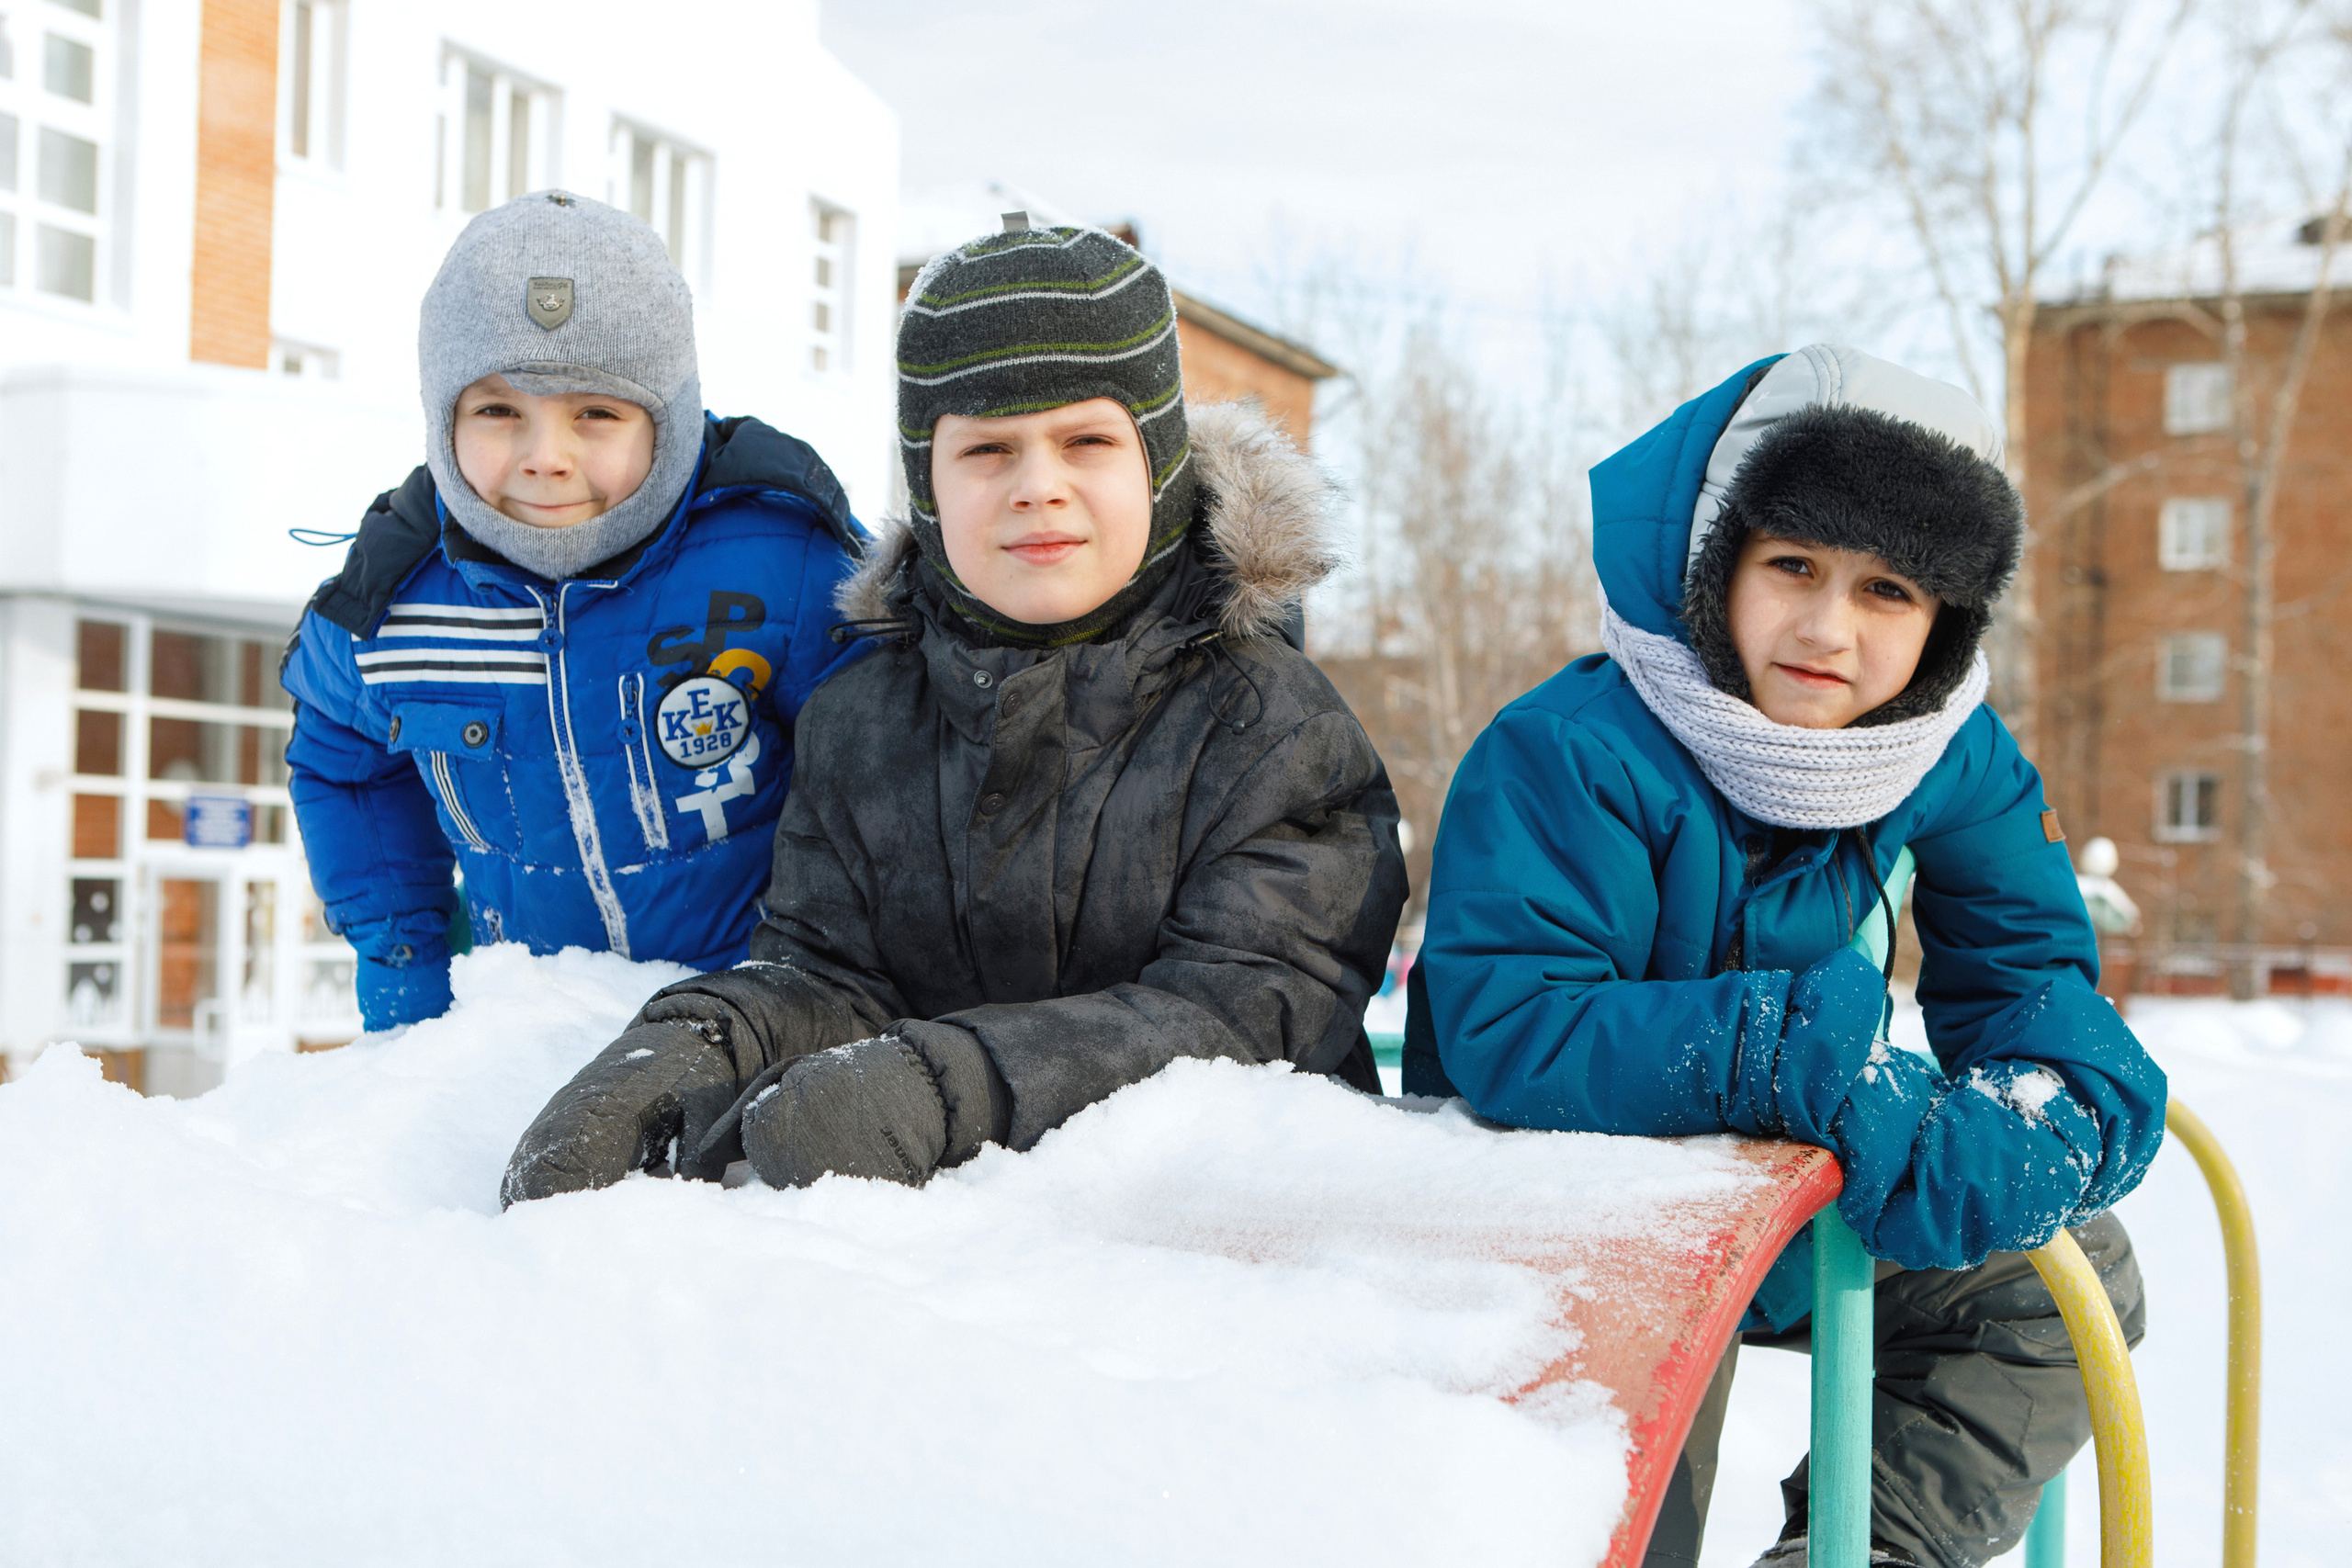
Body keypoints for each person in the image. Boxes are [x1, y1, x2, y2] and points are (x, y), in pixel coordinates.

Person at [1407, 345, 2168, 1568]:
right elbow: (1514, 1027)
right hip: (1582, 1213)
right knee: (1640, 1494)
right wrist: (1790, 1051)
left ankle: (1862, 1551)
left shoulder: (1943, 753)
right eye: (1793, 566)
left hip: (1779, 1210)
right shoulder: (1577, 747)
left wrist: (2056, 1103)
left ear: (1942, 622)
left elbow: (2032, 971)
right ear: (1718, 568)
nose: (1828, 627)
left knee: (2054, 1288)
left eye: (1888, 592)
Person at [501, 220, 1407, 1203]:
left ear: (1158, 462)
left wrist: (947, 1089)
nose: (1037, 488)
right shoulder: (862, 716)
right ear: (927, 489)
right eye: (986, 451)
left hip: (1209, 1259)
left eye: (1086, 441)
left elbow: (1250, 1015)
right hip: (926, 1288)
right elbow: (830, 973)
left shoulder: (1271, 725)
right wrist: (695, 1047)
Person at [281, 191, 866, 1034]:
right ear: (441, 415)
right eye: (497, 411)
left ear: (667, 417)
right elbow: (343, 756)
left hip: (759, 1038)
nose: (544, 457)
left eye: (596, 412)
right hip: (519, 1046)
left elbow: (882, 783)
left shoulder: (786, 564)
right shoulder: (394, 601)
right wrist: (408, 975)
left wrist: (818, 986)